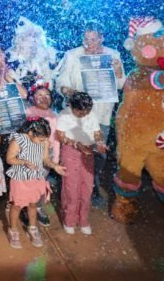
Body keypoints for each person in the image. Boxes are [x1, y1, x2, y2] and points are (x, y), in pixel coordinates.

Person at [54, 21, 125, 208]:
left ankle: (91, 184)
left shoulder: (113, 55)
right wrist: (69, 91)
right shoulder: (73, 55)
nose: (89, 43)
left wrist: (118, 70)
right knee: (73, 151)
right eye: (86, 39)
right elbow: (60, 81)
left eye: (93, 39)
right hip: (78, 114)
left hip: (101, 115)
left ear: (101, 38)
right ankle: (69, 187)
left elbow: (121, 84)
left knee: (98, 153)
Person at [5, 118, 66, 249]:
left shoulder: (43, 141)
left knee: (33, 204)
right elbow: (9, 159)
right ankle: (13, 230)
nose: (43, 142)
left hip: (35, 178)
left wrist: (55, 166)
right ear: (31, 133)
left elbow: (45, 159)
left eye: (45, 139)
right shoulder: (19, 140)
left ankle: (32, 228)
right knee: (16, 205)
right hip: (20, 178)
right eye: (41, 139)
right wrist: (24, 162)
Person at [56, 92, 105, 235]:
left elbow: (97, 133)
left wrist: (100, 143)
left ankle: (83, 220)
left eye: (87, 111)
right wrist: (76, 144)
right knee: (71, 187)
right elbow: (61, 136)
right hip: (71, 152)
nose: (84, 114)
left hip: (88, 153)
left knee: (87, 187)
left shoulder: (91, 114)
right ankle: (69, 220)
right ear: (72, 106)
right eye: (80, 111)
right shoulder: (64, 115)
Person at [22, 80, 57, 227]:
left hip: (46, 156)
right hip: (30, 155)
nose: (44, 98)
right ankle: (25, 207)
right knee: (28, 182)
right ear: (32, 98)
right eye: (40, 95)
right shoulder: (28, 113)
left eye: (47, 95)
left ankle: (37, 207)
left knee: (41, 182)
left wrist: (55, 158)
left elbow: (55, 139)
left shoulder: (53, 116)